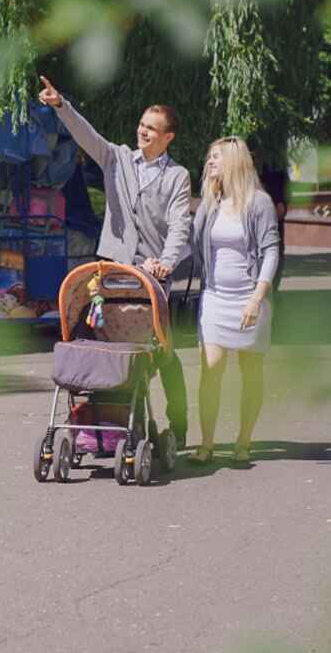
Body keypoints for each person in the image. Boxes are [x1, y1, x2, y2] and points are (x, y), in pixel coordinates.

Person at [36, 76, 194, 455]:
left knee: (165, 355)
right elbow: (87, 136)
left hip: (151, 276)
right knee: (102, 349)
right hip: (110, 273)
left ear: (168, 137)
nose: (143, 132)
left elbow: (180, 225)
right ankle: (98, 423)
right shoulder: (118, 158)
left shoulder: (177, 177)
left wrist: (167, 263)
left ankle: (180, 422)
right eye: (142, 125)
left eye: (151, 129)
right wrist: (61, 106)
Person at [190, 136, 281, 465]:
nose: (210, 162)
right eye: (209, 157)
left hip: (248, 298)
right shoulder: (210, 204)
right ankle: (207, 443)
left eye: (217, 157)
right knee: (210, 368)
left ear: (235, 162)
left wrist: (257, 297)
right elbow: (192, 243)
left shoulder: (259, 203)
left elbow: (271, 250)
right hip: (215, 298)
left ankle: (244, 440)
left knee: (250, 371)